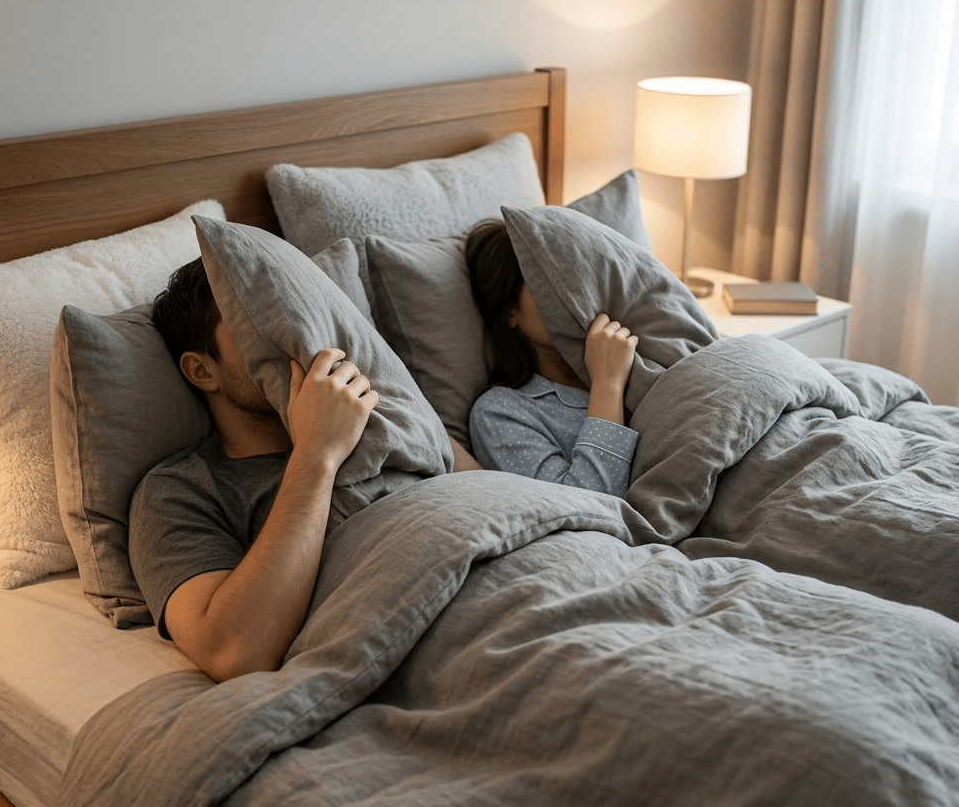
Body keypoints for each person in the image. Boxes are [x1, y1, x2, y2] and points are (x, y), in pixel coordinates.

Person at [129, 257, 474, 684]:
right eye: (255, 324)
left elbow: (493, 500)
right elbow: (233, 650)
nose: (291, 333)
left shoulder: (390, 414)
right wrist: (317, 453)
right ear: (202, 370)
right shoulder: (178, 492)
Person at [465, 219, 640, 498]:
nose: (575, 294)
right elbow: (583, 503)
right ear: (510, 310)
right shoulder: (501, 411)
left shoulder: (641, 354)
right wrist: (608, 385)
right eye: (548, 282)